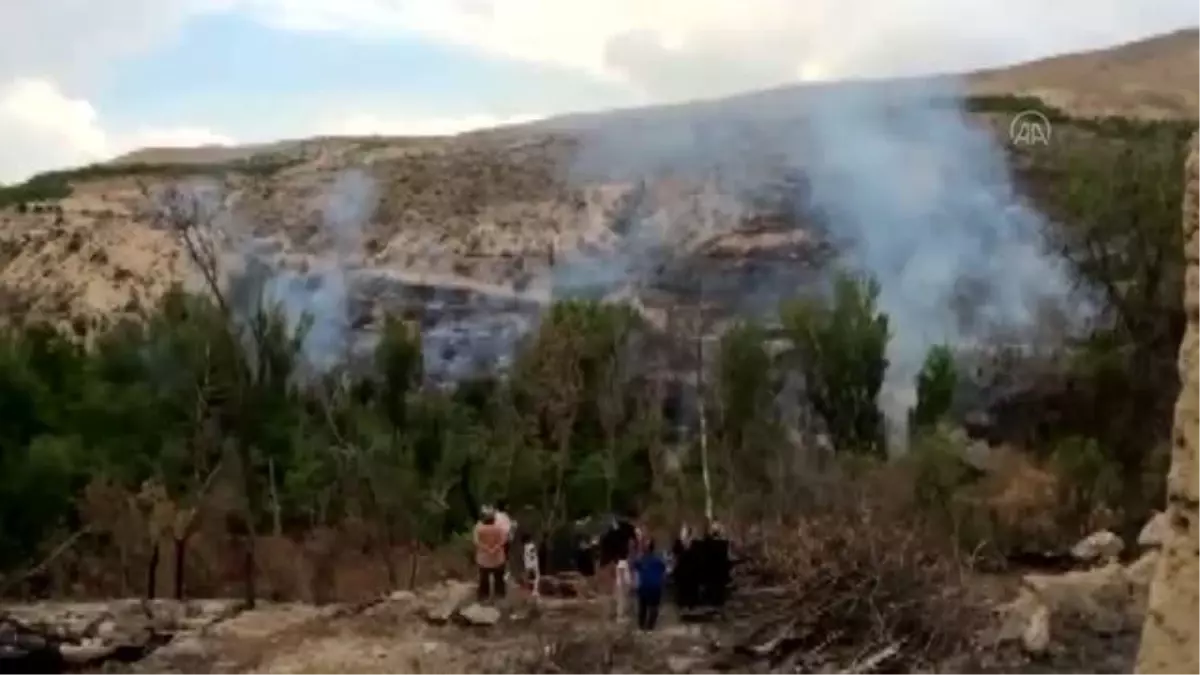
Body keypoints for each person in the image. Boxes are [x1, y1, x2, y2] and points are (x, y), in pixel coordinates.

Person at [473, 508, 507, 602]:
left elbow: (476, 541)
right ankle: (500, 596)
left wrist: (486, 549)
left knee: (484, 579)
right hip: (498, 558)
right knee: (499, 579)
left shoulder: (478, 528)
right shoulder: (499, 528)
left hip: (483, 559)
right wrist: (495, 548)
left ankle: (483, 596)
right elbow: (503, 540)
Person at [633, 539, 667, 631]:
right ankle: (650, 626)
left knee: (642, 607)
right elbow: (663, 570)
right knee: (654, 607)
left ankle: (642, 626)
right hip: (656, 587)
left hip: (644, 586)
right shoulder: (659, 560)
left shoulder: (641, 560)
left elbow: (634, 565)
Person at [672, 523, 698, 612]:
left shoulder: (690, 546)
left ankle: (686, 604)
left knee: (686, 587)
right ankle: (686, 604)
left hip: (686, 569)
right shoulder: (683, 545)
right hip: (687, 569)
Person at [521, 531, 541, 598]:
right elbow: (532, 554)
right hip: (533, 563)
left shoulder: (525, 546)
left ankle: (527, 590)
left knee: (527, 576)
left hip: (527, 563)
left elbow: (524, 556)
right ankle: (534, 591)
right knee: (536, 577)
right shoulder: (531, 545)